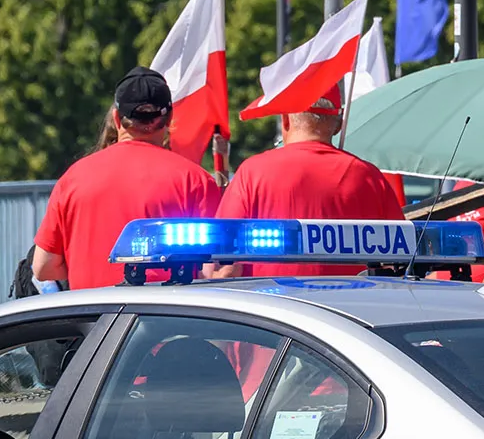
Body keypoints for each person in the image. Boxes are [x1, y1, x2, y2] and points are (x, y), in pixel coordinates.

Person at [32, 67, 224, 290]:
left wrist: (88, 267)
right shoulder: (195, 181)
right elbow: (214, 271)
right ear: (170, 118)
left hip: (95, 321)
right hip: (168, 320)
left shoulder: (72, 179)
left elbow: (43, 267)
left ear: (116, 117)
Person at [214, 84, 405, 277]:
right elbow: (399, 259)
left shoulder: (252, 172)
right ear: (339, 125)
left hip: (271, 304)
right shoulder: (369, 177)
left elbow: (225, 266)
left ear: (286, 120)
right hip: (351, 304)